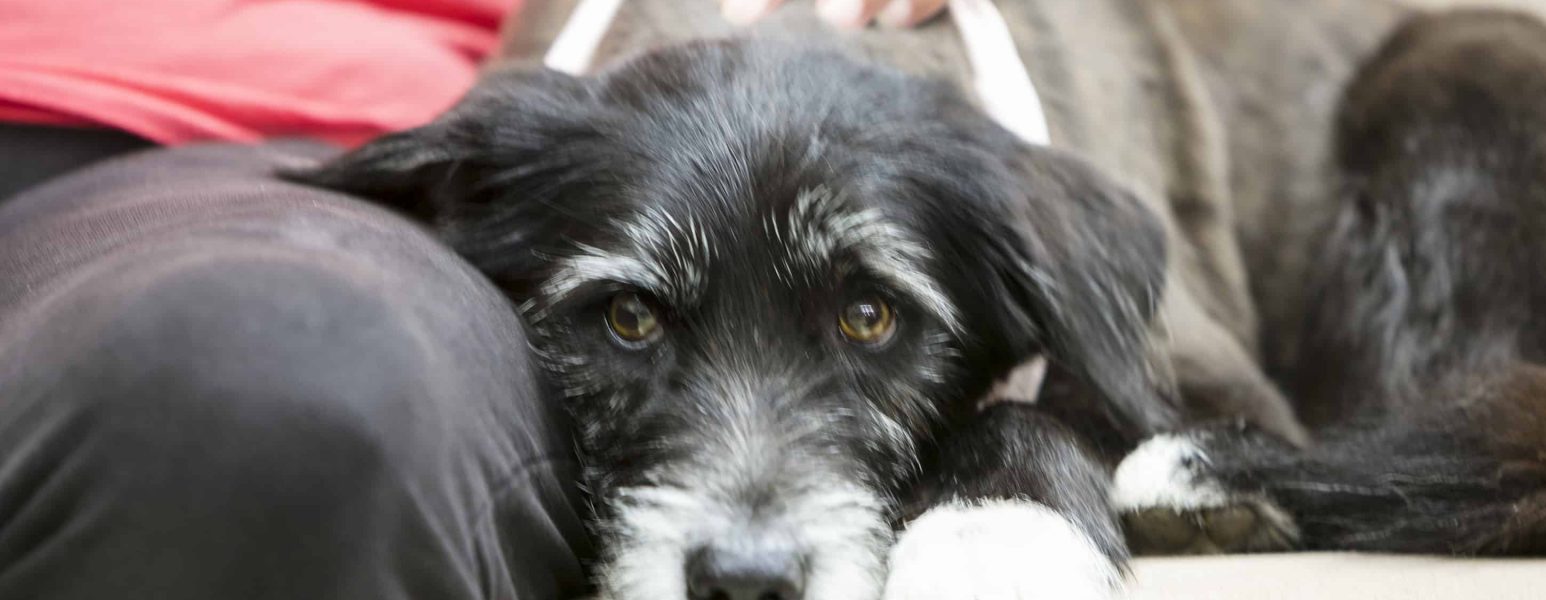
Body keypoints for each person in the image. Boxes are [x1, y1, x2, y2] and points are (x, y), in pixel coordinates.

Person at [0, 1, 933, 598]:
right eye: (634, 318)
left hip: (457, 156)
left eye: (865, 319)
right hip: (98, 122)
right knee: (273, 375)